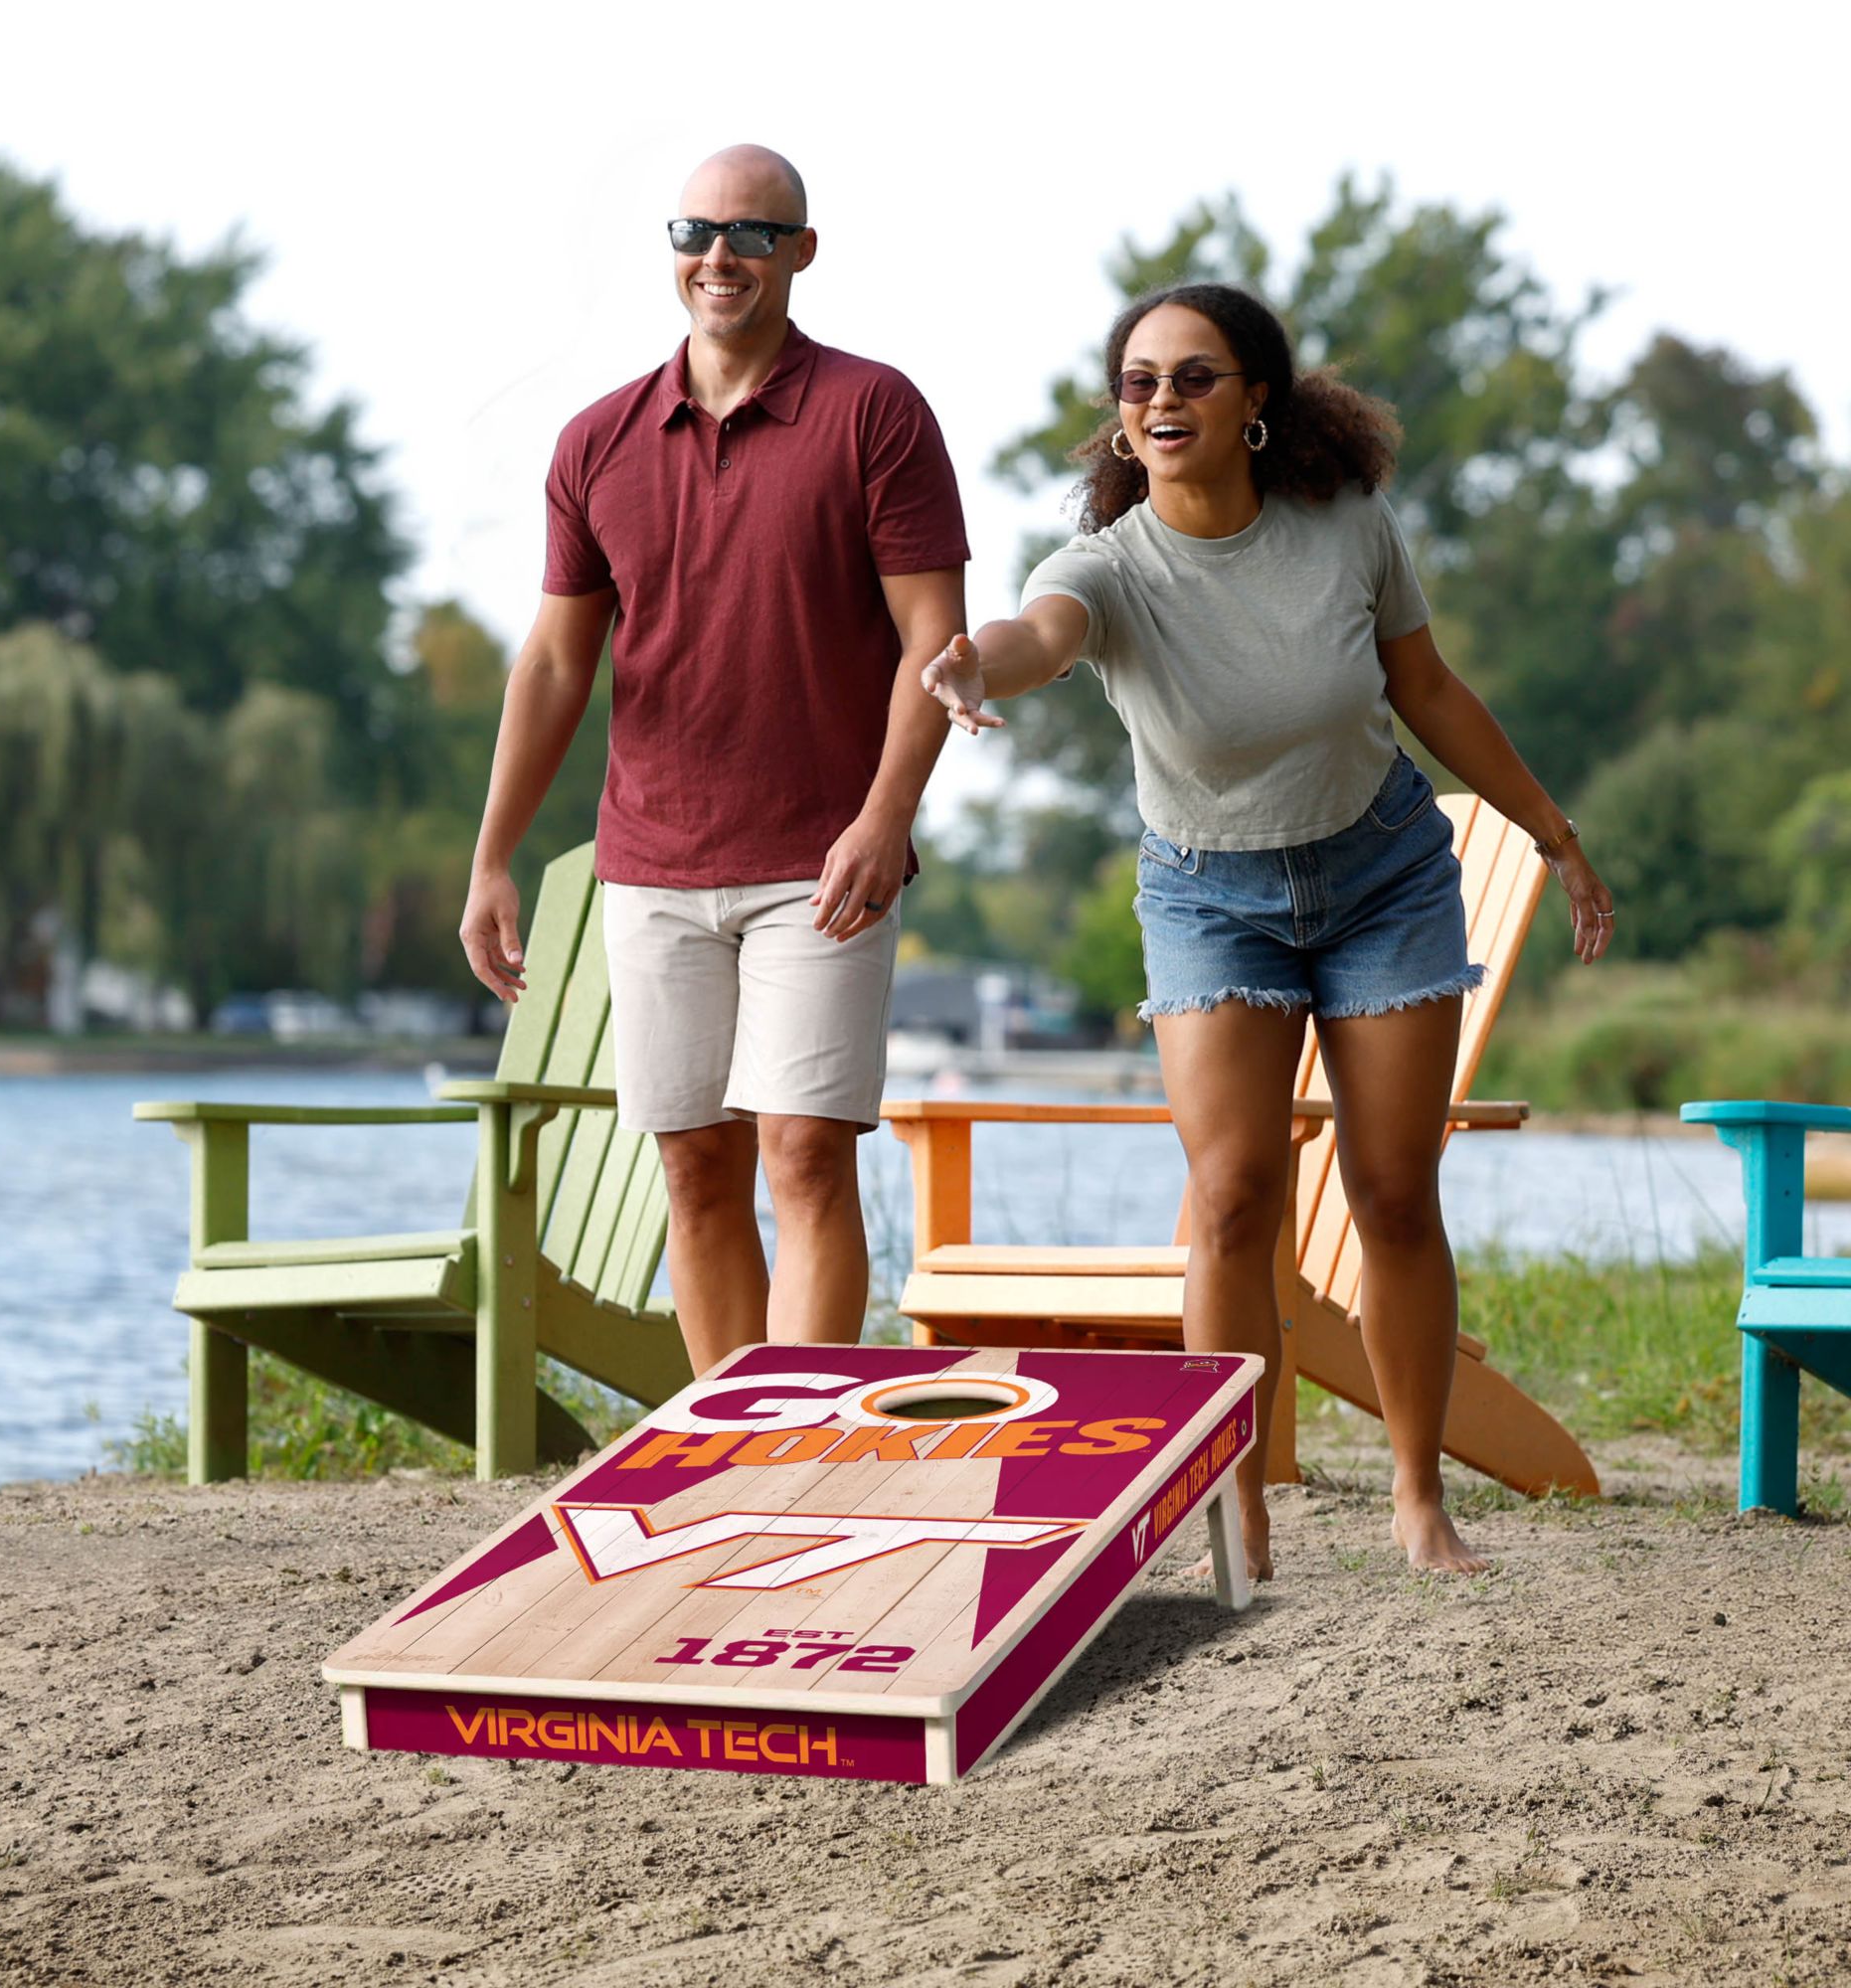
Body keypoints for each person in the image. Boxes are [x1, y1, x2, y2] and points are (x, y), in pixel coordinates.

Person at [921, 282, 1613, 1576]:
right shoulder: (1106, 568)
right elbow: (1038, 636)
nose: (1163, 399)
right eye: (1139, 382)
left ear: (1254, 401)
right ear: (1119, 419)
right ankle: (1234, 1506)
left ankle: (1417, 1498)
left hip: (1382, 877)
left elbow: (1426, 689)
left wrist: (1550, 831)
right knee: (1234, 1196)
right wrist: (972, 666)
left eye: (1193, 376)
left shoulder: (1345, 526)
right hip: (1207, 897)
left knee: (1392, 1192)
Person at [458, 145, 968, 1377]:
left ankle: (802, 1440)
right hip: (652, 861)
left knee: (804, 1151)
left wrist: (884, 816)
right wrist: (490, 858)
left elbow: (933, 643)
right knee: (693, 1164)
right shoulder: (597, 440)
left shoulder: (873, 411)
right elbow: (553, 665)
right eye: (696, 231)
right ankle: (733, 1443)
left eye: (752, 233)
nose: (719, 256)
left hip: (822, 861)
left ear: (802, 251)